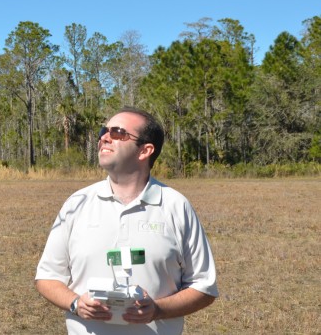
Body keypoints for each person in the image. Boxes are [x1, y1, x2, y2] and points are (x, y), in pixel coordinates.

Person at [35, 107, 218, 334]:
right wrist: (75, 304)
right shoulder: (77, 203)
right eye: (104, 130)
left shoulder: (175, 206)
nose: (104, 137)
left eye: (118, 132)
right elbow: (47, 277)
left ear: (145, 151)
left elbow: (204, 287)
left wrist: (158, 309)